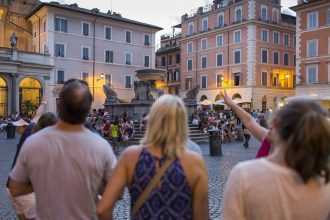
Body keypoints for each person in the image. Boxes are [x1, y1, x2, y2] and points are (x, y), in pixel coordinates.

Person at [9, 79, 117, 220]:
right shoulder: (101, 146)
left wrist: (44, 181)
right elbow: (115, 191)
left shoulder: (34, 142)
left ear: (59, 104)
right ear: (89, 108)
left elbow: (15, 188)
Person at [97, 94, 209, 220]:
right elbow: (202, 216)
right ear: (182, 123)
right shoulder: (194, 162)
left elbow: (103, 209)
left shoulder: (130, 156)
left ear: (152, 119)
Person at [223, 99, 330, 220]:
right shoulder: (324, 181)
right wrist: (232, 104)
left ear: (275, 122)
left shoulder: (244, 175)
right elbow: (249, 121)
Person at [6, 98, 47, 220]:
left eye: (19, 127)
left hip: (11, 186)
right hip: (24, 190)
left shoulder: (29, 133)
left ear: (25, 127)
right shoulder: (38, 137)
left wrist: (43, 103)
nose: (17, 128)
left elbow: (37, 116)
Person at [221, 91, 270, 157]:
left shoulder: (272, 140)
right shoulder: (273, 139)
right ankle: (246, 143)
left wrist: (231, 104)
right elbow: (248, 120)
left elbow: (248, 120)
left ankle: (246, 143)